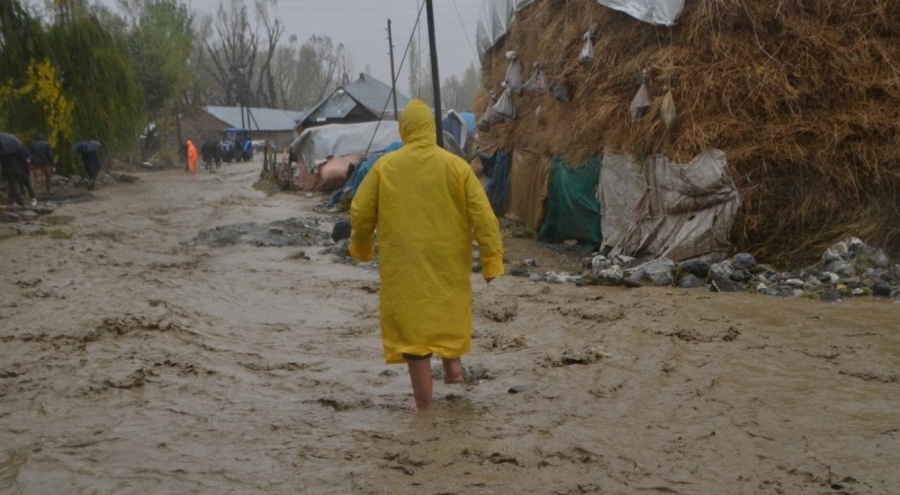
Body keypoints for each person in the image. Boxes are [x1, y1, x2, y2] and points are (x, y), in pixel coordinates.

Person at [349, 99, 504, 412]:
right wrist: (491, 261)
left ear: (405, 129)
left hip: (405, 269)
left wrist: (362, 247)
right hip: (448, 265)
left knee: (414, 339)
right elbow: (484, 217)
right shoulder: (457, 167)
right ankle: (454, 371)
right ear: (431, 129)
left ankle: (423, 410)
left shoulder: (385, 167)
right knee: (448, 315)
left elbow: (360, 211)